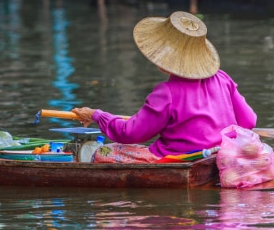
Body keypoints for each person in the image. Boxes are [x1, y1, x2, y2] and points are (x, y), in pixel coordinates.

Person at [72, 11, 257, 163]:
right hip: (219, 156)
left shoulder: (166, 93)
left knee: (103, 152)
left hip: (179, 159)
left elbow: (130, 133)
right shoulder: (222, 78)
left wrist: (97, 115)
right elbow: (249, 121)